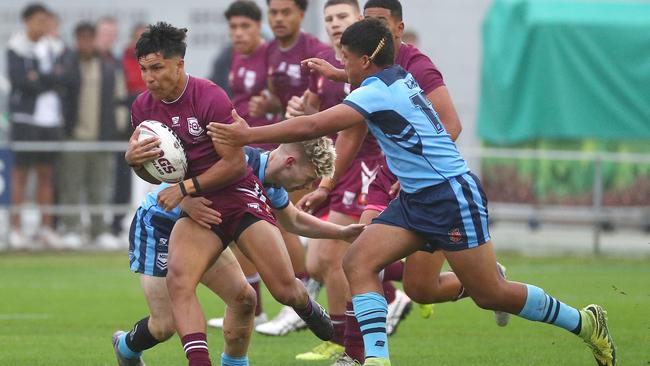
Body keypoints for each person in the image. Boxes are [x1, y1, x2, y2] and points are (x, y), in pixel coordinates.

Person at [208, 18, 616, 366]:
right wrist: (338, 75)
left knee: (491, 294)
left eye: (346, 58)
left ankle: (584, 321)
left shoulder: (377, 90)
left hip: (450, 197)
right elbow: (364, 91)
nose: (341, 63)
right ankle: (378, 359)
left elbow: (315, 126)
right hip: (415, 200)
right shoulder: (395, 76)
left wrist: (249, 134)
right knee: (364, 265)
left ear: (366, 60)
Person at [126, 22, 333, 366]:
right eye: (144, 69)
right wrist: (133, 162)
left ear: (179, 64)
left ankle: (308, 307)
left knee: (283, 290)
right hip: (199, 210)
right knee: (180, 281)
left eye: (157, 68)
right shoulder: (143, 108)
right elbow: (152, 168)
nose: (149, 78)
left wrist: (186, 189)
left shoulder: (208, 97)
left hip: (238, 198)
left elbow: (236, 165)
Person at [114, 137, 358, 366]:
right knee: (164, 326)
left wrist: (342, 232)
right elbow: (173, 163)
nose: (309, 185)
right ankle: (125, 347)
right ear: (290, 162)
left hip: (203, 232)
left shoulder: (271, 186)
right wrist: (185, 199)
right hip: (159, 228)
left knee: (244, 299)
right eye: (310, 177)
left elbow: (293, 220)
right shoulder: (234, 159)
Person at [282, 0, 381, 361]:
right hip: (338, 164)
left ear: (360, 21)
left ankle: (351, 346)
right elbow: (313, 109)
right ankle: (343, 341)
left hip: (369, 166)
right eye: (329, 20)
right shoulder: (324, 63)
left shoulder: (370, 66)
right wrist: (301, 110)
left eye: (343, 17)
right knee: (327, 260)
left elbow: (350, 127)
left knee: (343, 257)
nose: (336, 24)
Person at [251, 0, 333, 338]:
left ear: (302, 14)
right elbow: (279, 98)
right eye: (274, 13)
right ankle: (294, 300)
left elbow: (332, 101)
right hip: (287, 150)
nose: (279, 18)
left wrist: (308, 112)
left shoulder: (318, 52)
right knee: (315, 236)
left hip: (315, 153)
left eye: (286, 12)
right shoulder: (270, 51)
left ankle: (298, 299)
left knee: (313, 235)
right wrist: (270, 104)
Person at [58, 21, 127, 247]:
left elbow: (119, 100)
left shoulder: (108, 67)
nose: (86, 43)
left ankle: (99, 230)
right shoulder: (67, 64)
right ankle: (70, 229)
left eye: (90, 38)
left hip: (101, 137)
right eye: (82, 38)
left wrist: (116, 129)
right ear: (76, 40)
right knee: (71, 185)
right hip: (74, 137)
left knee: (100, 187)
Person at [7, 3, 66, 248]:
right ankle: (15, 229)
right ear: (28, 21)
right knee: (21, 174)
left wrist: (40, 78)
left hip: (51, 120)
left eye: (46, 21)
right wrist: (47, 79)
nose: (44, 26)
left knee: (46, 174)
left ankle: (45, 228)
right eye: (39, 21)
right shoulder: (16, 47)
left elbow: (63, 78)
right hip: (25, 119)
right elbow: (21, 81)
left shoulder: (55, 47)